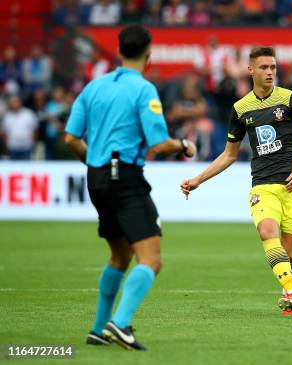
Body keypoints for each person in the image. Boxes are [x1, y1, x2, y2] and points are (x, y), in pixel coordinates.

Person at [64, 25, 196, 350]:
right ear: (149, 54)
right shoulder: (144, 90)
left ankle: (97, 329)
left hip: (96, 179)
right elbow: (160, 145)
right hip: (125, 177)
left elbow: (70, 138)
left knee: (119, 256)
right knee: (151, 259)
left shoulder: (93, 88)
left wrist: (94, 162)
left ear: (120, 51)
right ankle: (119, 324)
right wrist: (184, 145)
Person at [180, 46, 292, 315]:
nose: (269, 72)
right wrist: (198, 179)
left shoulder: (290, 99)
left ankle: (289, 285)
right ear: (251, 70)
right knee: (267, 232)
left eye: (273, 67)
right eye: (264, 67)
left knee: (290, 256)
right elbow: (229, 155)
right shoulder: (241, 108)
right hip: (263, 185)